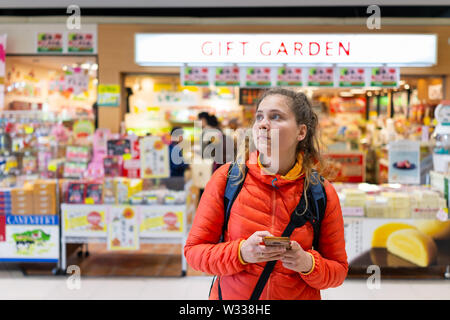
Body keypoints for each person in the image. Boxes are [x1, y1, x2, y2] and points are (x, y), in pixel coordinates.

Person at [184, 88, 348, 300]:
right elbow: (194, 253)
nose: (263, 123)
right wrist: (241, 253)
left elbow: (339, 271)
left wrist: (307, 264)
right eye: (259, 116)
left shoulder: (321, 192)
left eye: (276, 117)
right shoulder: (227, 180)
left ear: (301, 132)